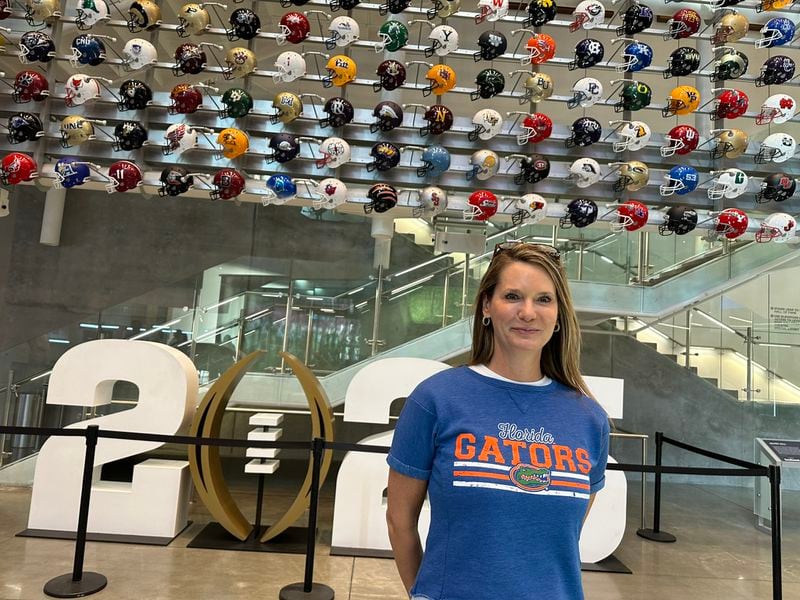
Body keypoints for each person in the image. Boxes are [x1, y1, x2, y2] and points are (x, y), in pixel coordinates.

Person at [386, 242, 610, 600]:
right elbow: (399, 521)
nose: (527, 312)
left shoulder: (589, 418)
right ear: (487, 305)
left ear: (558, 315)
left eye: (543, 299)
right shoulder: (435, 399)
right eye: (512, 296)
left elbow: (563, 537)